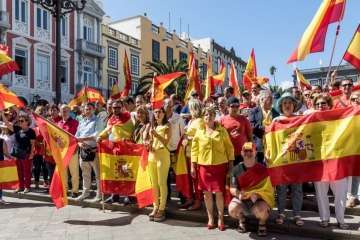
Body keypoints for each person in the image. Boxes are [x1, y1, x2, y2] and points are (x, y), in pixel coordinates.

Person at [191, 106, 234, 231]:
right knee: (207, 194)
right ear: (203, 118)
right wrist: (193, 166)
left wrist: (230, 166)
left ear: (214, 116)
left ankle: (221, 218)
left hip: (220, 166)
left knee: (219, 193)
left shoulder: (222, 131)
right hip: (204, 166)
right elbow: (194, 150)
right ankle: (211, 218)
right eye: (205, 115)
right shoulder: (199, 132)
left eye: (210, 114)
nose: (208, 117)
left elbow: (229, 148)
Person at [310, 94, 349, 229]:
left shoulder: (339, 119)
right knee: (321, 193)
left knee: (341, 193)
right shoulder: (310, 121)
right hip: (319, 163)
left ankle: (341, 219)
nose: (320, 106)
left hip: (337, 161)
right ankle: (324, 218)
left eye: (323, 103)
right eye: (318, 104)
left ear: (329, 105)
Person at [228, 142, 274, 237]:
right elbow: (232, 188)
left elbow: (269, 189)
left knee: (262, 210)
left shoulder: (263, 169)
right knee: (232, 209)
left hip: (259, 200)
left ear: (255, 152)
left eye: (250, 151)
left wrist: (258, 195)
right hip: (242, 199)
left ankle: (262, 223)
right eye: (245, 151)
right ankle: (242, 220)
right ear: (241, 153)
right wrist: (239, 194)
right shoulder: (236, 170)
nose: (248, 153)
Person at [273, 92, 304, 226]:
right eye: (284, 103)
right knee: (281, 188)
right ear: (280, 106)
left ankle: (297, 214)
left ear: (294, 105)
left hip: (297, 158)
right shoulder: (276, 121)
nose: (287, 105)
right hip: (282, 159)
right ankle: (281, 213)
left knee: (297, 188)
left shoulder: (300, 119)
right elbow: (271, 139)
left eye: (289, 103)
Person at [144, 107, 171, 222]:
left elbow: (165, 142)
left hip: (162, 156)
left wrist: (155, 134)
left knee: (162, 183)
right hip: (152, 156)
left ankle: (162, 208)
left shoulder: (167, 126)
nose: (157, 114)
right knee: (153, 184)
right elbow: (148, 142)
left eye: (160, 111)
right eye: (155, 112)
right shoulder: (152, 126)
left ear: (164, 113)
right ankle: (155, 206)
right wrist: (148, 143)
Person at [75, 103, 101, 202]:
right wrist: (80, 144)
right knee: (85, 173)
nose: (88, 111)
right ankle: (85, 192)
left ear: (93, 109)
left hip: (94, 149)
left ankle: (99, 194)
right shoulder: (81, 122)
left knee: (97, 174)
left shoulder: (97, 120)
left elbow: (96, 135)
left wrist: (82, 139)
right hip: (83, 150)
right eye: (86, 109)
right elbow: (76, 136)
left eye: (89, 109)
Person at [182, 99, 205, 210]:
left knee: (196, 178)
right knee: (190, 178)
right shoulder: (192, 120)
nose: (189, 110)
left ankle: (198, 200)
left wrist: (189, 138)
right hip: (187, 152)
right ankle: (190, 198)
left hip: (195, 154)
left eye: (190, 107)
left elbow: (201, 137)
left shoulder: (200, 121)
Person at [6, 113, 36, 194]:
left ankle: (27, 187)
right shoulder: (17, 129)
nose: (20, 122)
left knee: (26, 171)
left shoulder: (31, 132)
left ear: (27, 122)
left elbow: (33, 144)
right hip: (17, 153)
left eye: (22, 121)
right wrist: (2, 113)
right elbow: (7, 124)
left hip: (26, 153)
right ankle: (20, 186)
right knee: (18, 171)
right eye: (19, 121)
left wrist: (31, 154)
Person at [248, 90, 279, 163]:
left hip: (273, 145)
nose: (271, 101)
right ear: (262, 100)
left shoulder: (275, 112)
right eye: (269, 98)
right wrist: (265, 128)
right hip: (260, 146)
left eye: (272, 98)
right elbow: (252, 126)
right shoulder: (254, 111)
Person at [220, 96, 252, 165]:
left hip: (243, 154)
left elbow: (250, 137)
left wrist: (250, 152)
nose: (235, 108)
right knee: (231, 175)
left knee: (244, 175)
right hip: (228, 155)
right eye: (232, 106)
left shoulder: (244, 119)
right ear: (227, 107)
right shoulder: (222, 120)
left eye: (237, 106)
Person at [58, 104, 79, 198]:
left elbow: (77, 136)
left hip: (72, 150)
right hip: (62, 151)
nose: (64, 112)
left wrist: (76, 147)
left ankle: (75, 190)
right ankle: (65, 189)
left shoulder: (75, 122)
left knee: (74, 172)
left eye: (66, 110)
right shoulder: (58, 123)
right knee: (63, 172)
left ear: (69, 111)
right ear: (60, 112)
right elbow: (56, 136)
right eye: (63, 110)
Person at [347, 92, 360, 208]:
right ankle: (352, 196)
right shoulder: (345, 115)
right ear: (350, 101)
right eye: (354, 99)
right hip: (350, 148)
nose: (357, 100)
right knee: (353, 174)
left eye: (359, 99)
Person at [0, 121, 13, 204]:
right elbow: (6, 153)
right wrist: (11, 158)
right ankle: (0, 198)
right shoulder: (2, 141)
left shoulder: (2, 141)